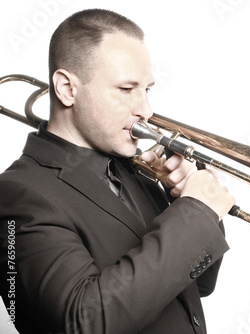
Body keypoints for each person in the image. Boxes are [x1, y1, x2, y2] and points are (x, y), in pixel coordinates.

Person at [0, 8, 234, 334]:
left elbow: (197, 284)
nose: (146, 110)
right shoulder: (17, 194)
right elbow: (84, 322)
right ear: (67, 89)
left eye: (147, 89)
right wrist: (194, 214)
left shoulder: (133, 170)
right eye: (126, 89)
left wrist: (185, 202)